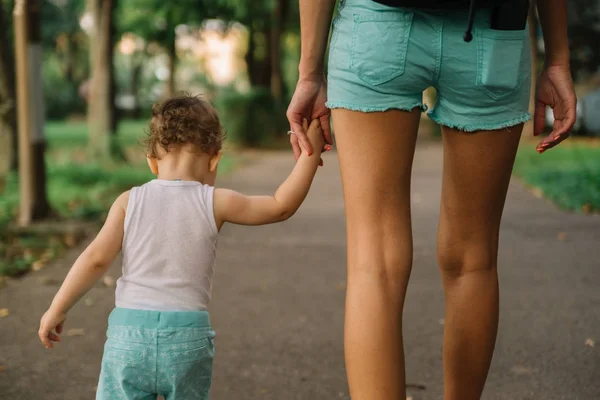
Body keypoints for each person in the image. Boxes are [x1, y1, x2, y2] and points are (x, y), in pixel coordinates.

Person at [286, 0, 576, 399]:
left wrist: (309, 72)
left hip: (376, 27)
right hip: (492, 32)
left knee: (375, 262)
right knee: (472, 259)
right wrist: (557, 58)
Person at [38, 94, 324, 400]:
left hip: (129, 337)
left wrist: (58, 308)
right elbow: (280, 206)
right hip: (187, 340)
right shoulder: (214, 201)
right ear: (215, 158)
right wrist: (311, 152)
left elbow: (95, 259)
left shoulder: (128, 202)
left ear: (151, 161)